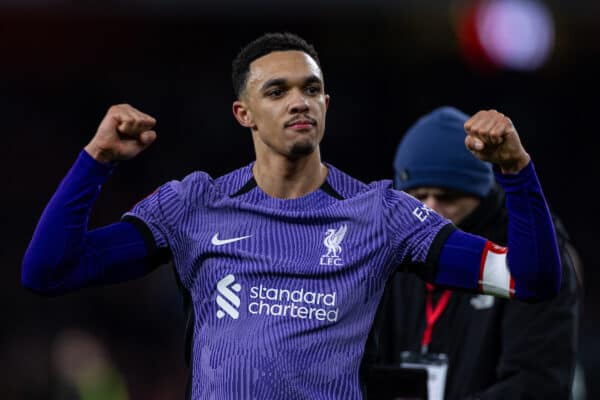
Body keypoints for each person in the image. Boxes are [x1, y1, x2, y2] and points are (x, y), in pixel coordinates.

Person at [22, 33, 563, 399]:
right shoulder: (192, 206)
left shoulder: (381, 215)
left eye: (311, 89)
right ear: (245, 114)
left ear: (327, 104)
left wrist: (516, 170)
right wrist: (94, 163)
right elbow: (48, 271)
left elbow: (532, 280)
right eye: (276, 92)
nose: (298, 102)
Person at [364, 106, 582, 400]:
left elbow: (538, 384)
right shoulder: (396, 245)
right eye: (418, 197)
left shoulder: (532, 253)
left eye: (447, 198)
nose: (430, 210)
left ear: (480, 195)